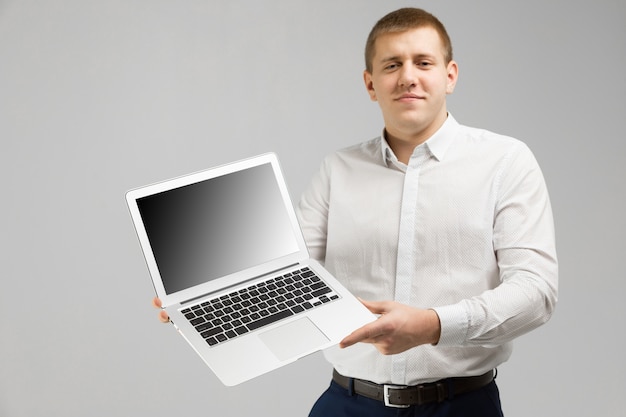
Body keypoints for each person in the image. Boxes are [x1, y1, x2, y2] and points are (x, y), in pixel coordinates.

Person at [154, 7, 558, 416]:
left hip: (463, 406)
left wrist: (432, 325)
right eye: (392, 64)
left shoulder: (506, 161)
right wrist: (206, 295)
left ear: (449, 75)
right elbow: (288, 271)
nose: (408, 77)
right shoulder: (337, 170)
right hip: (347, 405)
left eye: (423, 62)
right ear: (370, 83)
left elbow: (536, 292)